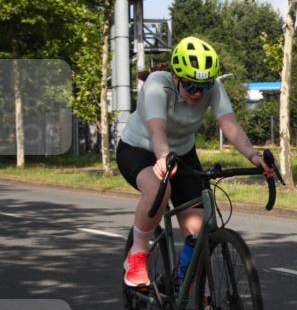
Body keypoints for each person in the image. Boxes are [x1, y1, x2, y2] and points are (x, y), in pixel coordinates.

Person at [116, 36, 273, 288]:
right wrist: (163, 156)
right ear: (176, 77)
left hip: (182, 153)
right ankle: (137, 254)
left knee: (199, 231)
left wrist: (254, 157)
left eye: (204, 86)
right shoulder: (157, 85)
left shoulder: (213, 89)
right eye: (190, 86)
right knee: (158, 190)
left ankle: (184, 283)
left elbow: (229, 125)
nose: (198, 93)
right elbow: (157, 129)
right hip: (140, 149)